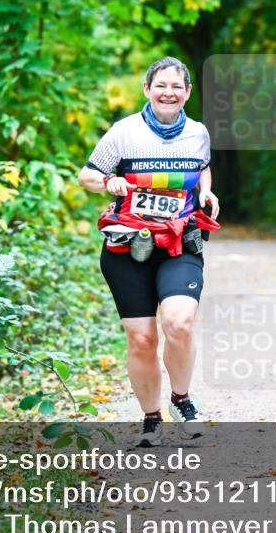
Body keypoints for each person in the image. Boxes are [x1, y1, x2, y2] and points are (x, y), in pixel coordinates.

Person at [78, 57, 220, 447]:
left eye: (177, 86)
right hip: (128, 245)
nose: (169, 92)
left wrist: (205, 190)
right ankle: (151, 419)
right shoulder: (124, 132)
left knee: (179, 323)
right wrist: (109, 182)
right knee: (141, 339)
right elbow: (86, 175)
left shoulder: (198, 132)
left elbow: (203, 166)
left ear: (187, 93)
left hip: (178, 242)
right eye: (161, 85)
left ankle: (182, 398)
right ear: (147, 89)